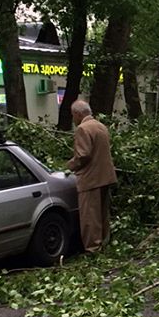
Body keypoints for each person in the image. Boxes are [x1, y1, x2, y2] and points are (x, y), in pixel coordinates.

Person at [67, 99, 117, 253]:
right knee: (103, 214)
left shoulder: (83, 129)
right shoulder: (101, 126)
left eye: (73, 115)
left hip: (91, 179)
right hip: (105, 176)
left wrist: (70, 165)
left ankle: (93, 249)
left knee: (90, 217)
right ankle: (104, 243)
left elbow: (83, 155)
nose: (73, 119)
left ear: (77, 114)